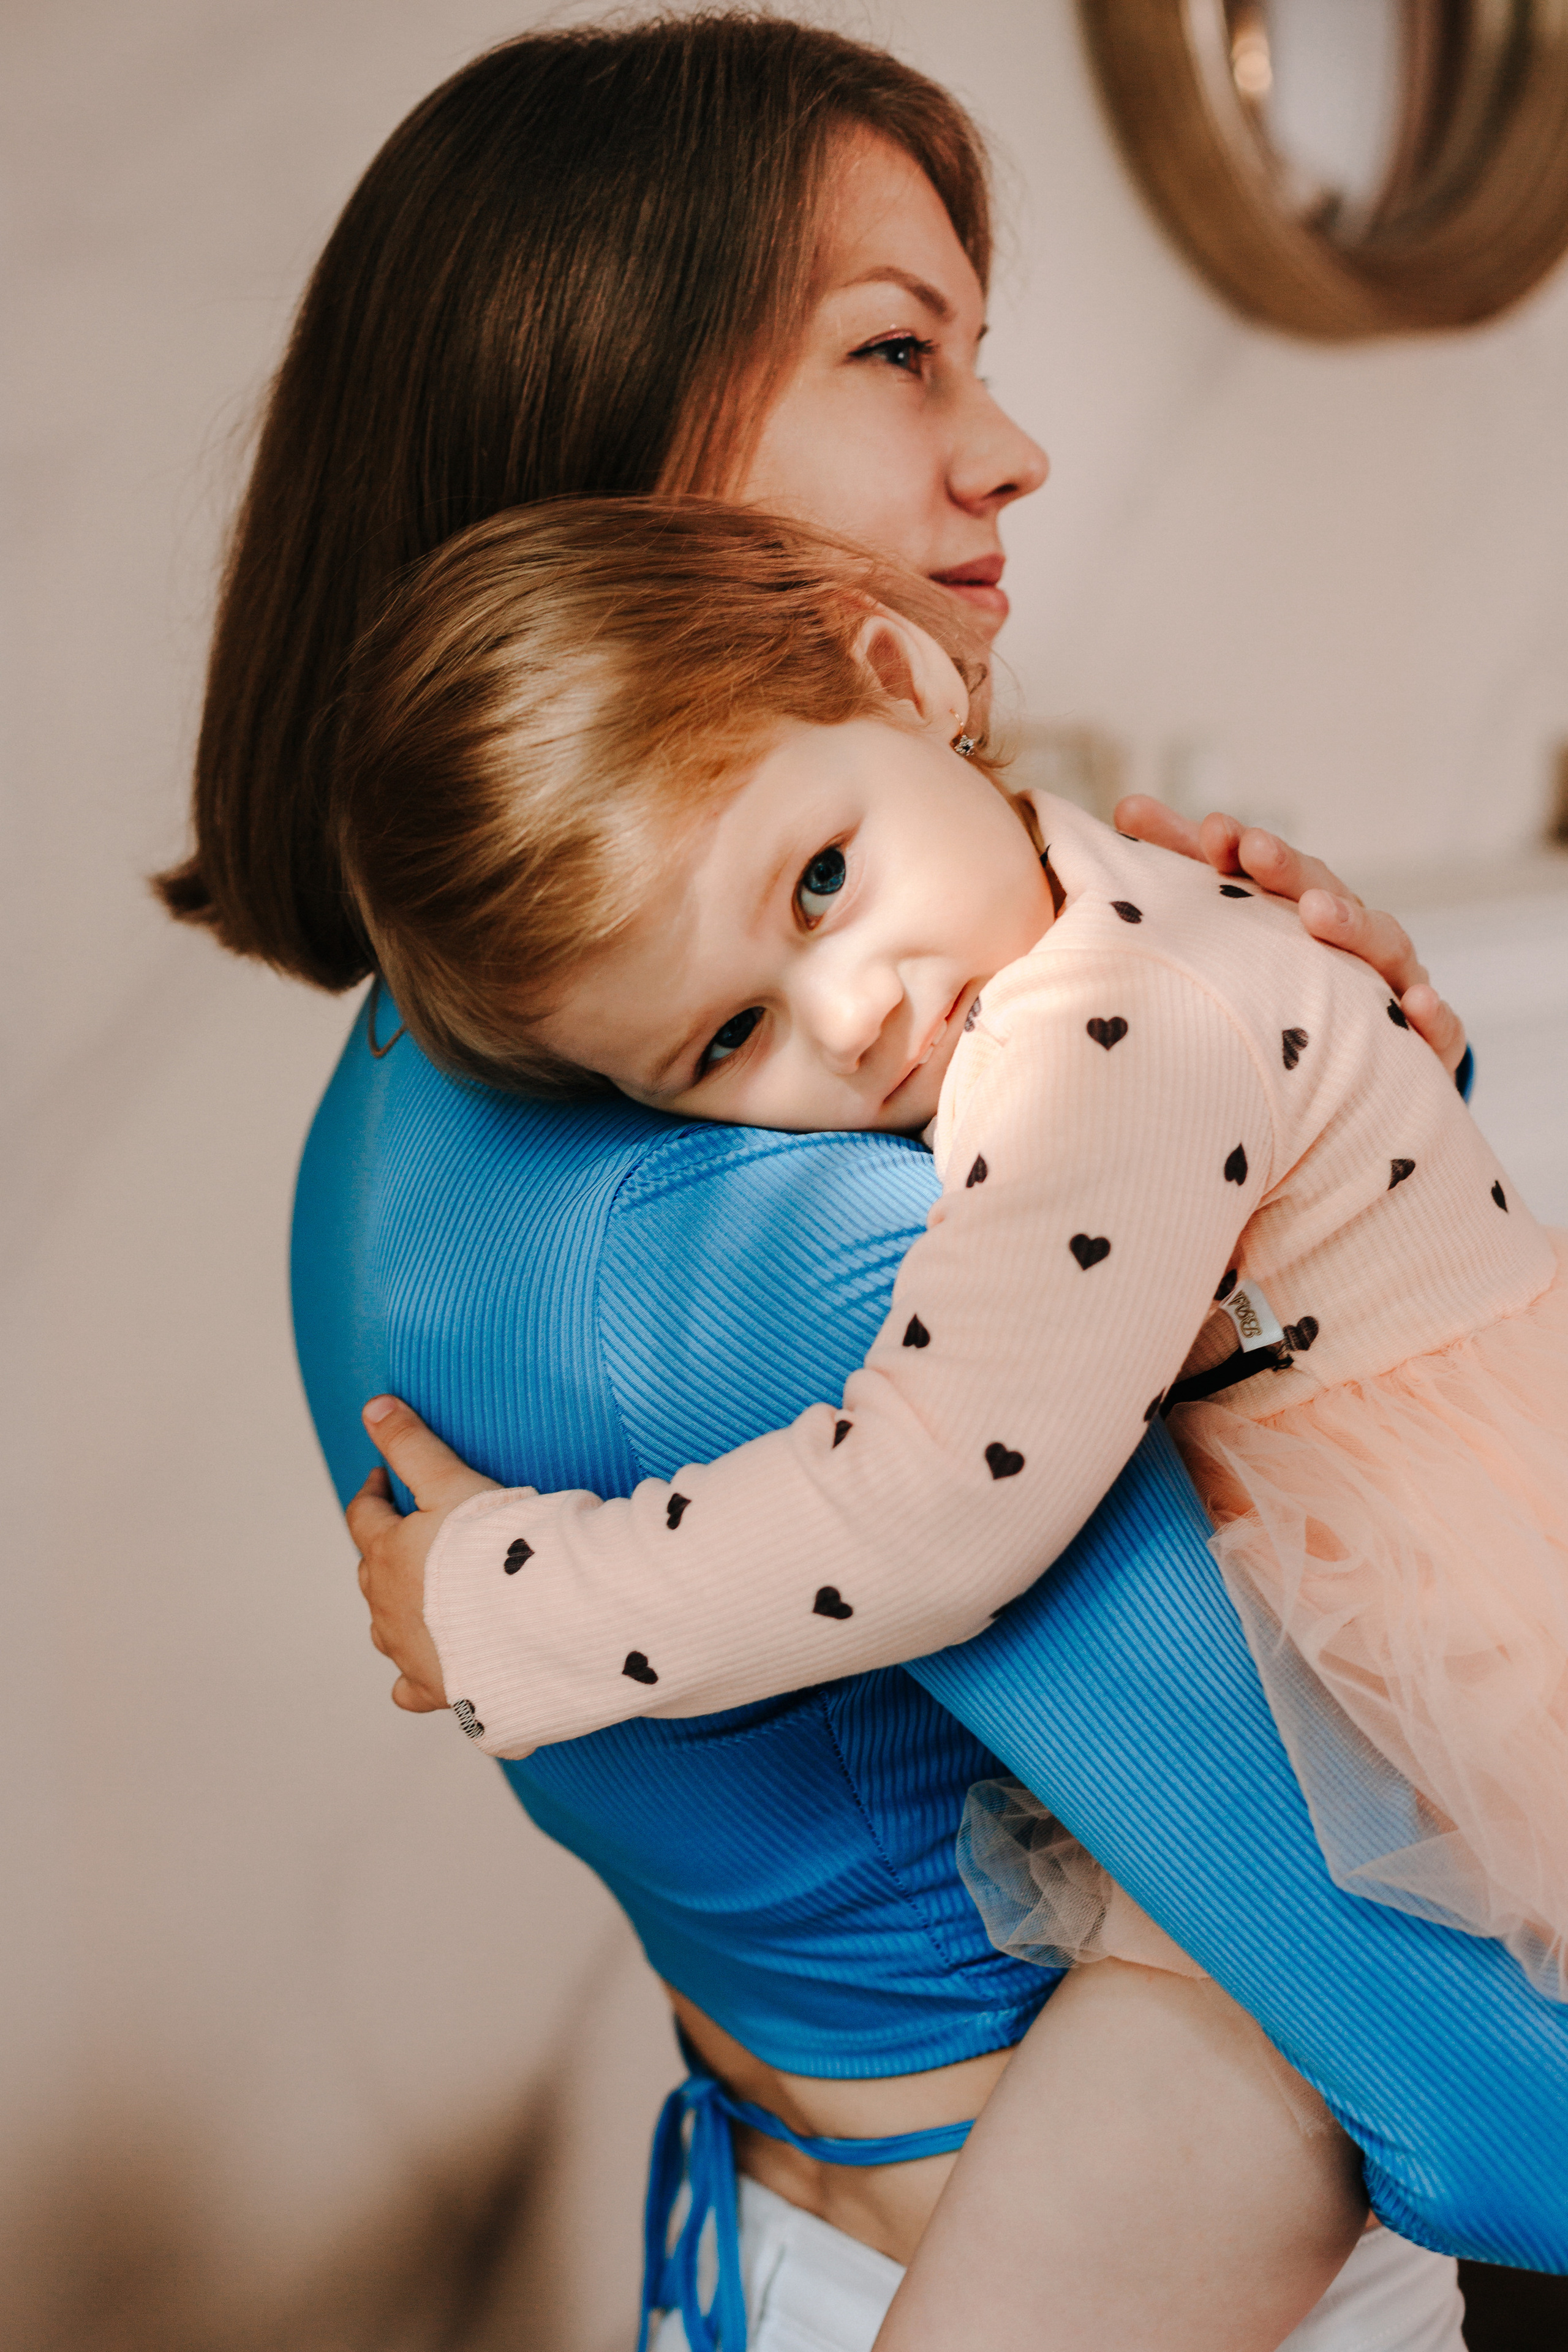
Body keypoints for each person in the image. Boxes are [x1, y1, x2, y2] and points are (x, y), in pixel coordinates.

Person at [153, 17, 1562, 2349]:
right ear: (609, 434)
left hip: (798, 2213)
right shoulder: (790, 1258)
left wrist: (1317, 1080)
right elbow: (1462, 2072)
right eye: (898, 353)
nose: (1004, 450)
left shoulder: (440, 1080)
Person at [331, 493, 1567, 2343]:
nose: (855, 1013)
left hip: (1443, 1663)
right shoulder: (1061, 916)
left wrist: (510, 1606)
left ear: (902, 676)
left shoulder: (1113, 1032)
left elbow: (938, 1510)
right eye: (726, 1046)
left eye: (820, 880)